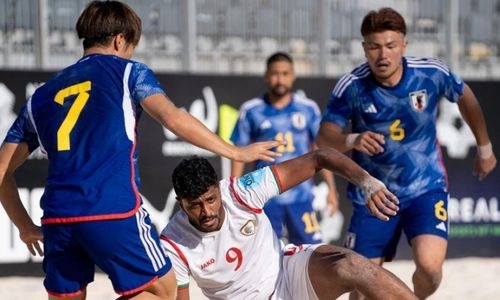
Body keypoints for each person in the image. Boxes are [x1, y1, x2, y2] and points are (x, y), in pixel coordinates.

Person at [0, 1, 281, 300]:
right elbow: (172, 117)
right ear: (120, 39)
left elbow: (2, 170)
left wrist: (24, 225)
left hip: (57, 217)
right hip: (111, 208)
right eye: (132, 45)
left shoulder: (41, 95)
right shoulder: (128, 72)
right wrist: (235, 152)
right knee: (164, 292)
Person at [315, 7, 497, 300]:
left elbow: (466, 97)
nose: (382, 55)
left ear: (404, 45)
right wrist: (354, 138)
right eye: (374, 47)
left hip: (425, 187)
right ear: (364, 48)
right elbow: (324, 137)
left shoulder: (430, 73)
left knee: (430, 270)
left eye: (390, 45)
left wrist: (485, 147)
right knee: (360, 285)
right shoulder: (352, 86)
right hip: (373, 193)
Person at [160, 149, 418, 300]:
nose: (207, 211)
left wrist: (367, 182)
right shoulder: (173, 243)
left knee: (352, 265)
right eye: (195, 205)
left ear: (219, 189)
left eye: (211, 199)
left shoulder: (241, 192)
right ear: (180, 204)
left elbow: (320, 157)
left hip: (287, 274)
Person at [230, 52, 338, 244]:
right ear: (266, 76)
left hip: (301, 194)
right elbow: (239, 153)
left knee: (311, 252)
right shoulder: (251, 110)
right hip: (265, 196)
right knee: (265, 254)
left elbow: (320, 149)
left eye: (285, 73)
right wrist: (235, 194)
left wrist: (331, 189)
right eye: (275, 73)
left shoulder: (308, 108)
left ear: (293, 75)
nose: (280, 79)